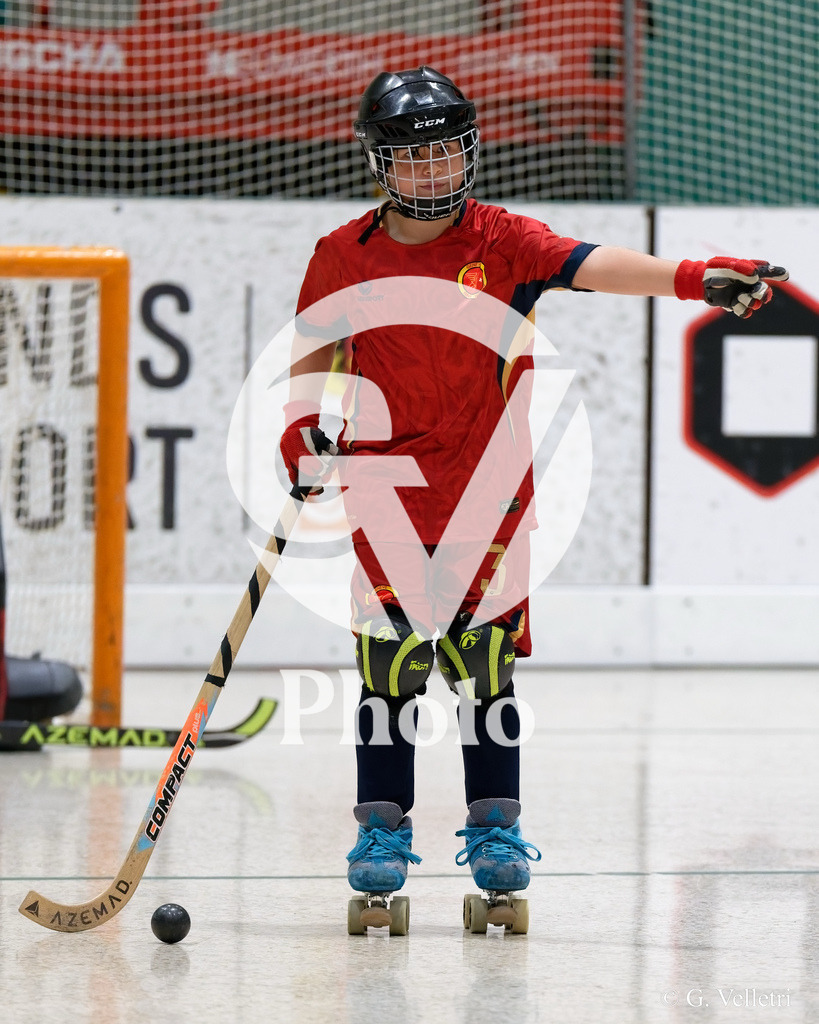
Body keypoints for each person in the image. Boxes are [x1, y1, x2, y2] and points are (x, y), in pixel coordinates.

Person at [279, 66, 788, 914]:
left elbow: (595, 264)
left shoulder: (502, 240)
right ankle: (381, 832)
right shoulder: (342, 256)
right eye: (414, 158)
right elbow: (309, 361)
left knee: (485, 671)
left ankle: (495, 831)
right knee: (389, 671)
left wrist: (694, 276)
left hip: (490, 501)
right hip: (385, 497)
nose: (434, 172)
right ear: (379, 164)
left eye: (447, 153)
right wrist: (299, 429)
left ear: (469, 153)